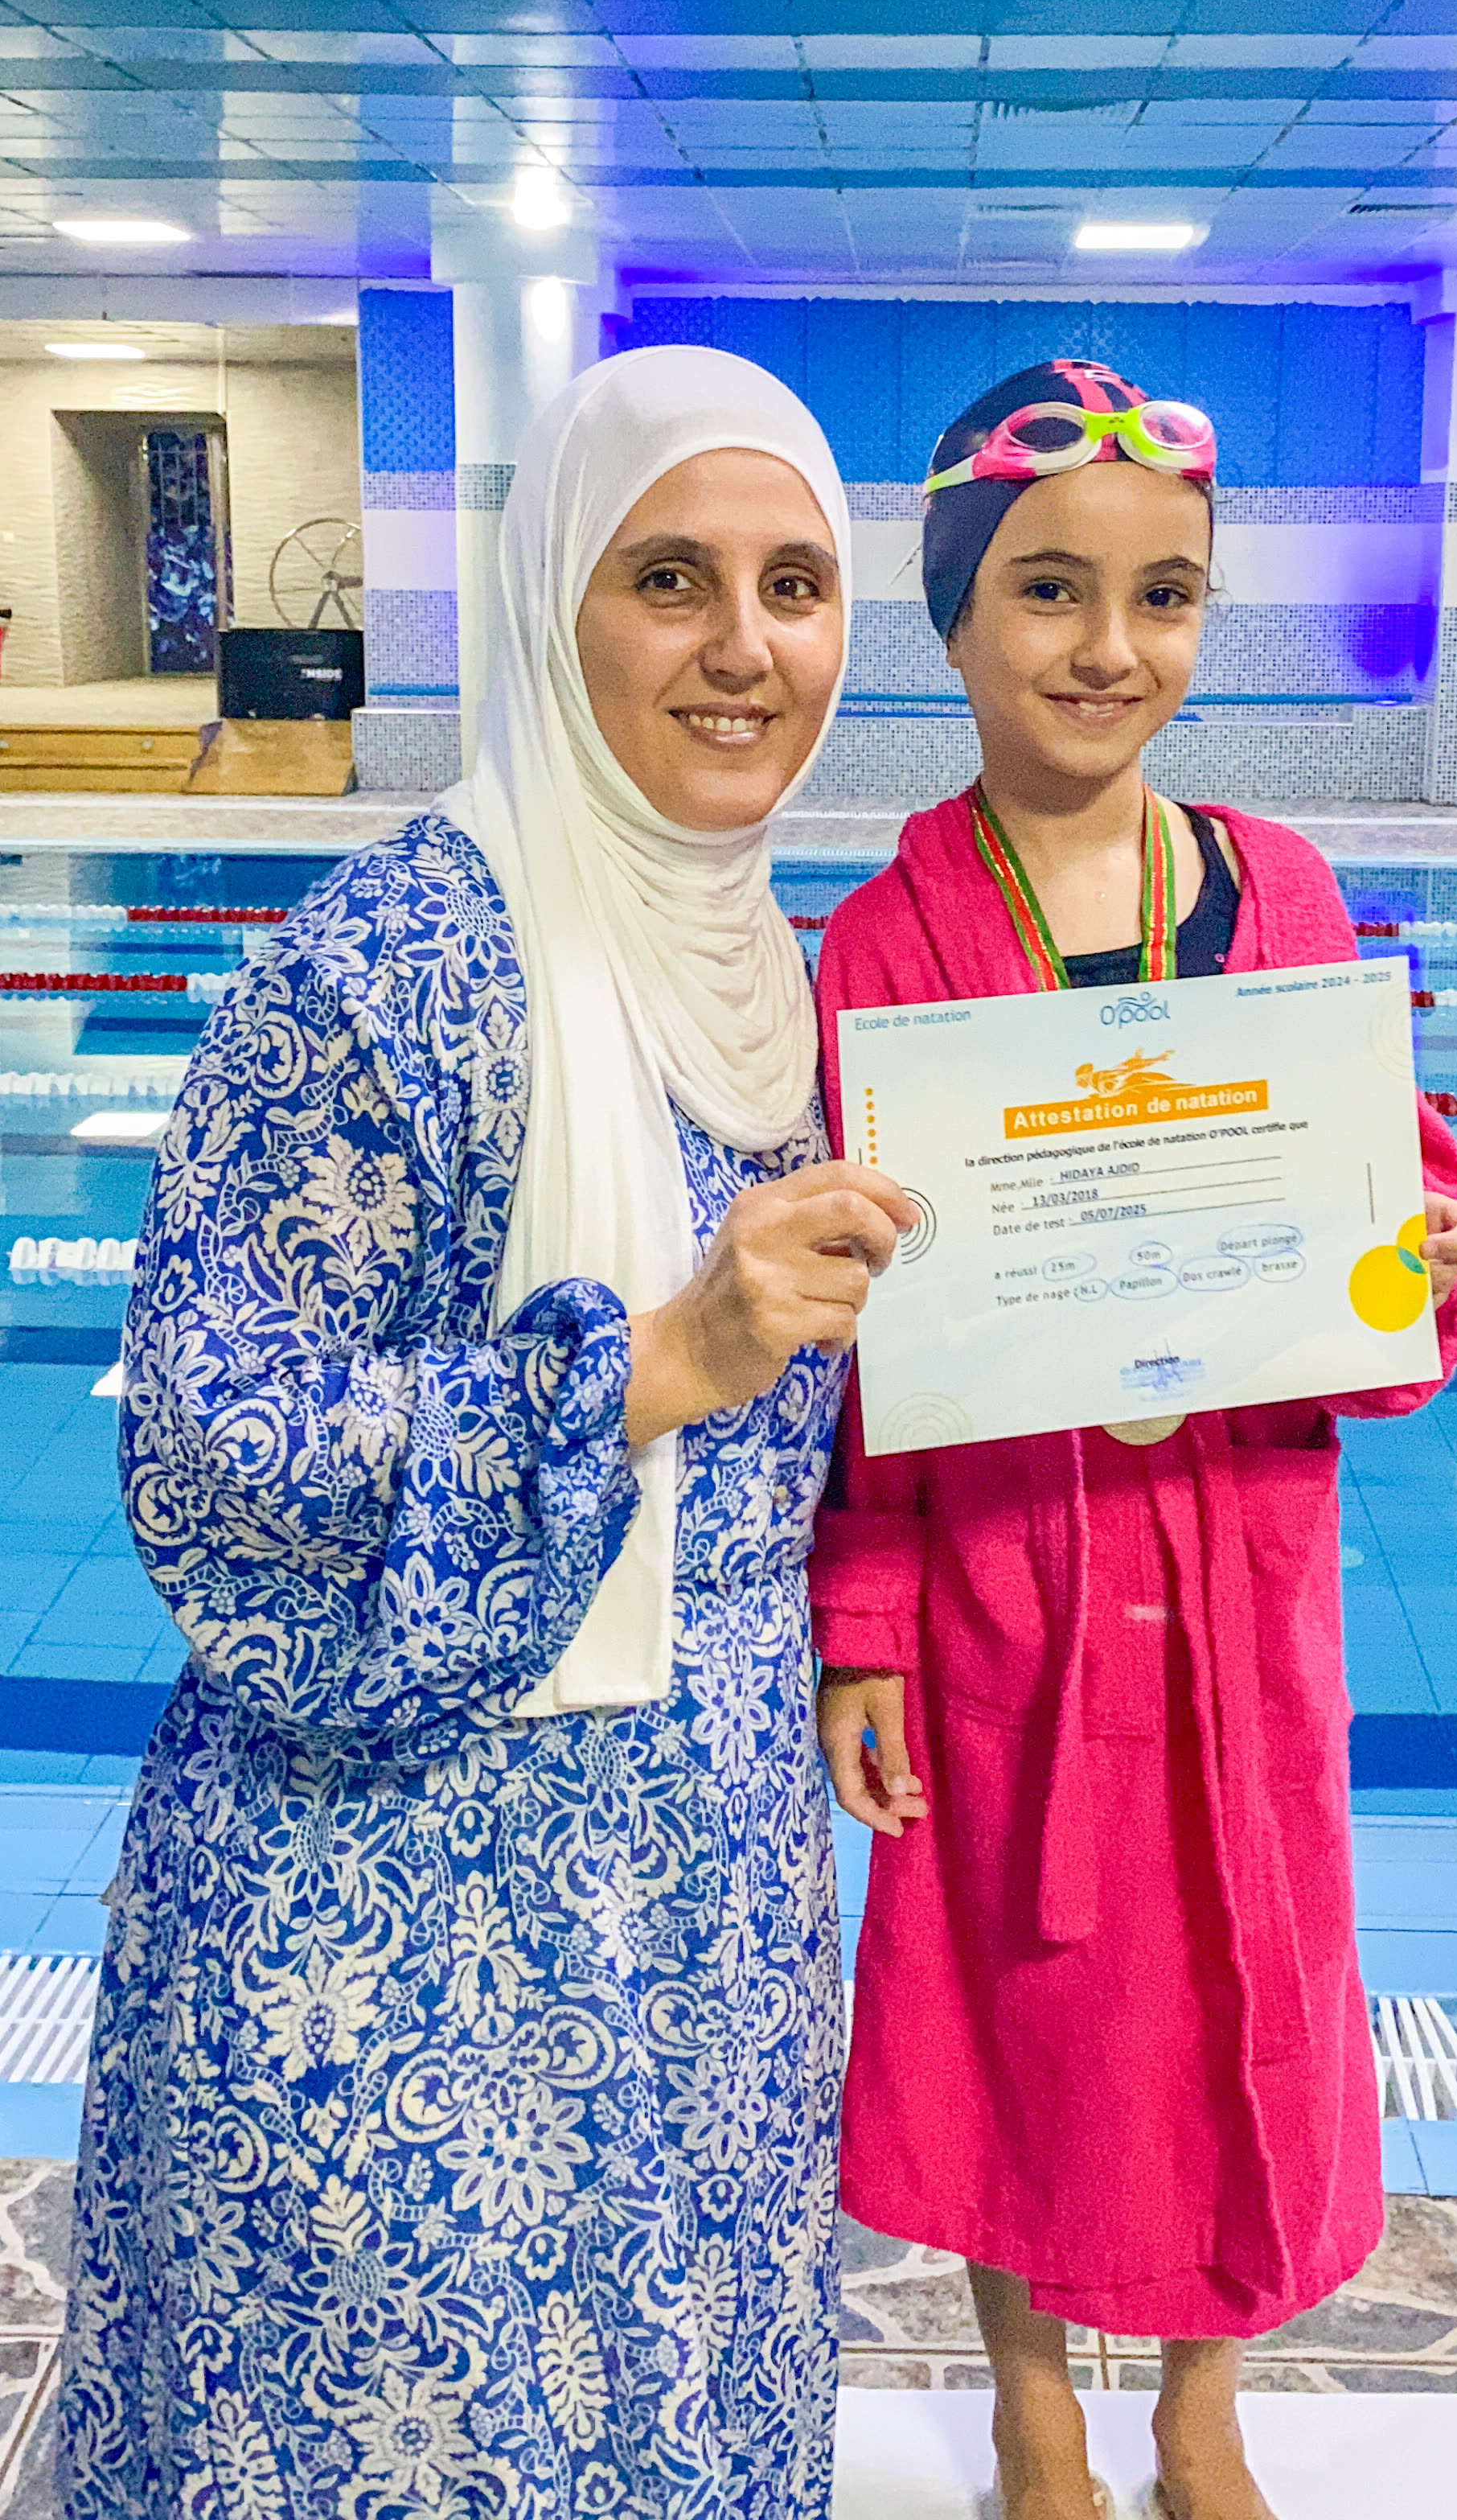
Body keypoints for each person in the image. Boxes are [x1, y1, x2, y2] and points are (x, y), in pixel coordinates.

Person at [60, 346, 915, 2520]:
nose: (744, 649)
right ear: (555, 606)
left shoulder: (777, 976)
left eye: (796, 585)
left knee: (667, 2427)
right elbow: (211, 1442)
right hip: (400, 1931)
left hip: (699, 1914)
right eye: (669, 578)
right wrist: (638, 1366)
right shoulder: (388, 969)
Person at [811, 360, 1457, 2520]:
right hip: (1011, 1585)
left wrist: (1411, 1261)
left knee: (1241, 1997)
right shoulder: (889, 941)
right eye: (1050, 590)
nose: (1112, 648)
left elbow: (1374, 1264)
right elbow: (861, 1353)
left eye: (1165, 595)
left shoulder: (1279, 892)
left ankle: (1203, 2411)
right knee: (1019, 2008)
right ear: (953, 615)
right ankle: (1035, 2410)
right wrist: (868, 1624)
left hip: (1242, 1585)